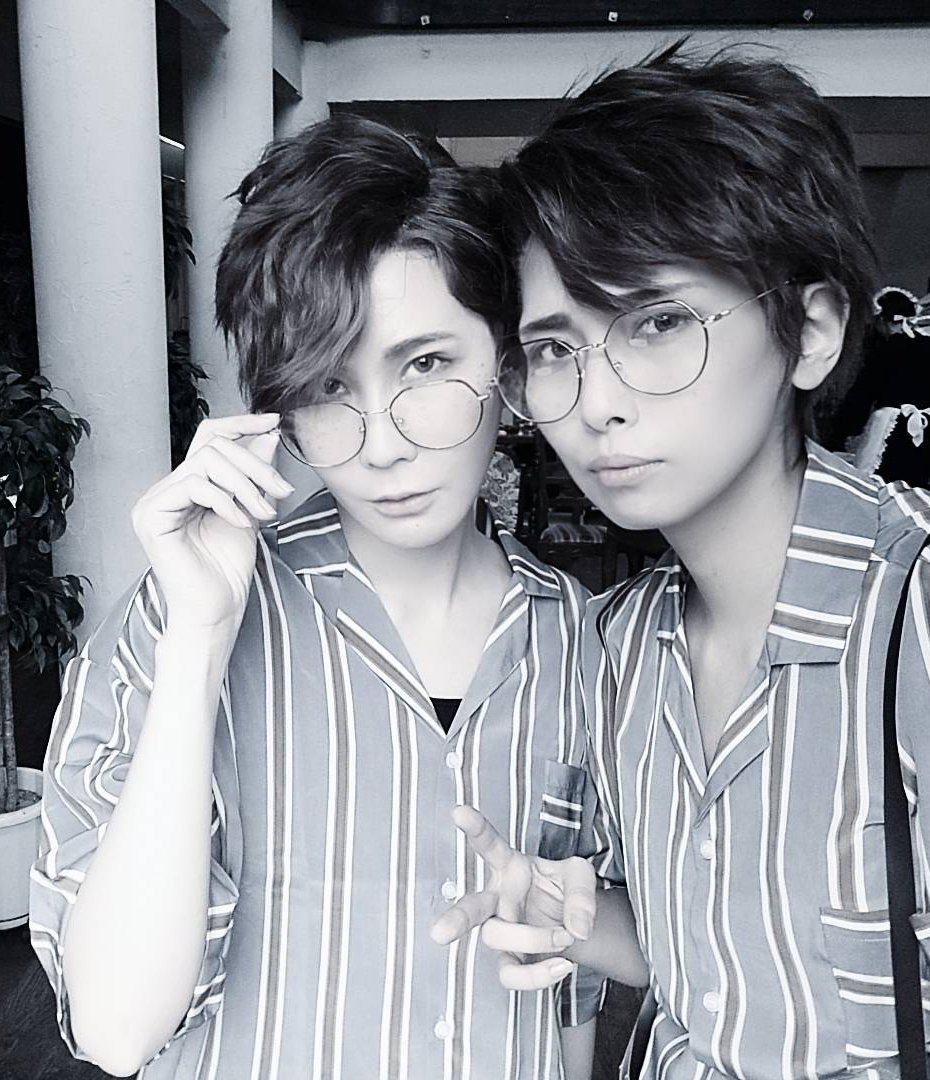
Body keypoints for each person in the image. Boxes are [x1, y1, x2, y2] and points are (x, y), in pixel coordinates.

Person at [29, 115, 613, 1080]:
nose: (381, 444)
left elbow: (567, 976)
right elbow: (116, 1029)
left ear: (504, 366)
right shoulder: (179, 620)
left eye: (426, 365)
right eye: (330, 386)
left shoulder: (583, 642)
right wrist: (199, 643)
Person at [432, 43, 930, 1078]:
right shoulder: (621, 643)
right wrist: (568, 914)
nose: (598, 402)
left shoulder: (912, 619)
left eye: (657, 322)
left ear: (812, 331)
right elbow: (702, 968)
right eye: (555, 349)